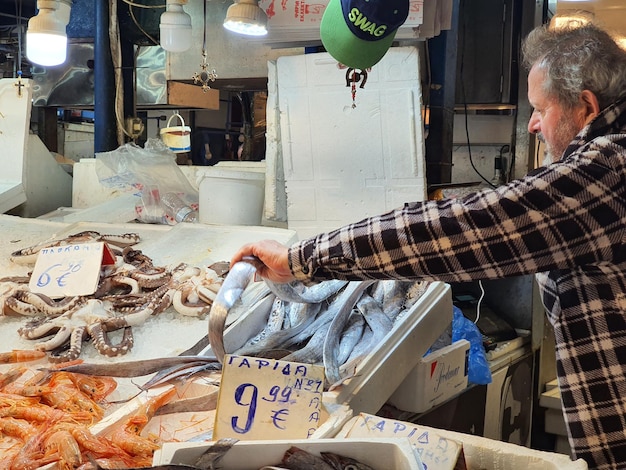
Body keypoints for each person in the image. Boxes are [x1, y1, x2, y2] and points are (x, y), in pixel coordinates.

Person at [231, 22, 626, 470]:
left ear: (587, 106)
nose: (533, 123)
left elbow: (468, 228)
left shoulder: (609, 171)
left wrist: (304, 258)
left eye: (540, 109)